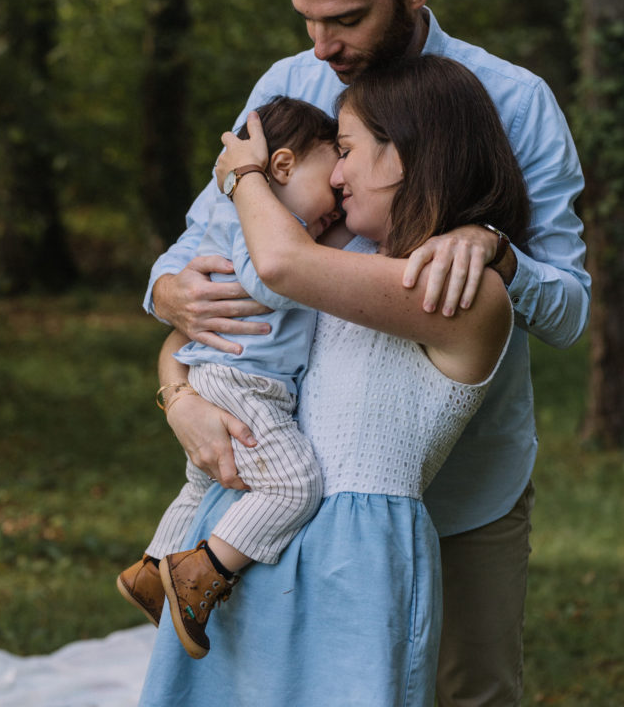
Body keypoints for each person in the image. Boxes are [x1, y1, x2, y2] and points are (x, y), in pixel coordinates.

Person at [143, 0, 591, 705]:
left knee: (466, 689)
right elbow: (198, 251)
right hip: (289, 470)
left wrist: (494, 251)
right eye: (306, 18)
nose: (322, 47)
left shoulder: (513, 101)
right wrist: (170, 315)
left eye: (346, 19)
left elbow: (569, 308)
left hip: (463, 485)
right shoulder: (290, 84)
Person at [139, 54, 530, 707]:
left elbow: (279, 263)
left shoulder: (466, 292)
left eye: (346, 151)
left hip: (350, 568)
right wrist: (179, 399)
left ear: (408, 152)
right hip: (240, 542)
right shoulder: (334, 254)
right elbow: (193, 340)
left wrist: (244, 175)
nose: (337, 174)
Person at [118, 97, 341, 656]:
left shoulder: (260, 213)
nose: (339, 198)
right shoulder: (261, 217)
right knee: (295, 485)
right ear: (282, 167)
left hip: (226, 371)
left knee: (202, 483)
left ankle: (151, 571)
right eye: (332, 184)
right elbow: (270, 278)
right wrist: (308, 249)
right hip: (243, 381)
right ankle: (201, 573)